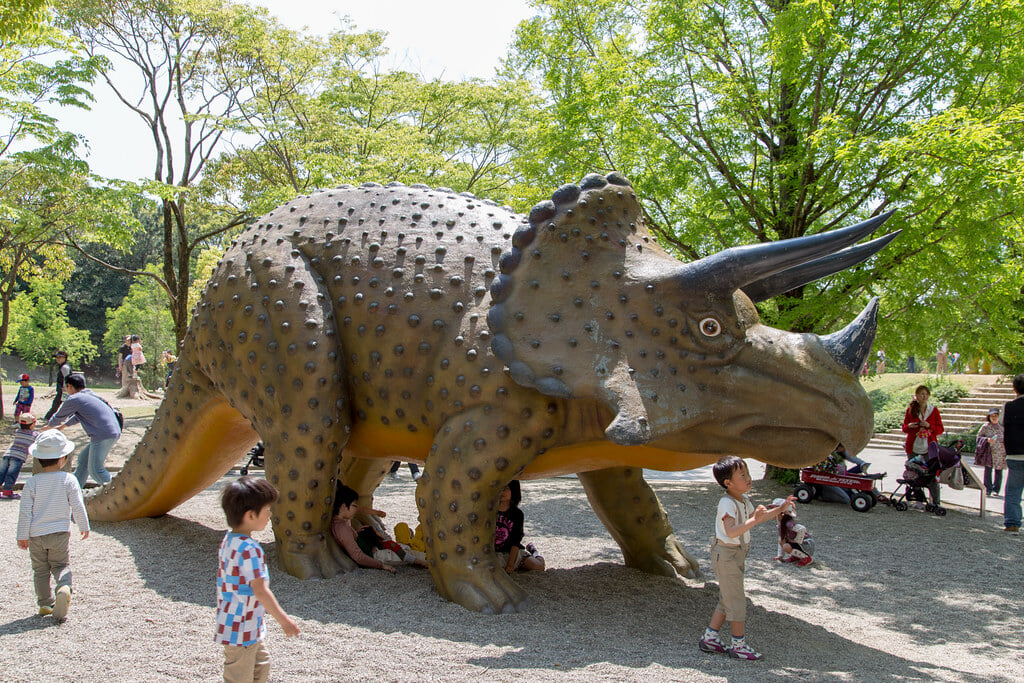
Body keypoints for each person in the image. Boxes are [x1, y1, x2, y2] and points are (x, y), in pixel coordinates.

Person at [699, 456, 794, 661]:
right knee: (737, 601)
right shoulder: (727, 503)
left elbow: (759, 518)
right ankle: (738, 644)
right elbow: (731, 532)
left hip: (736, 554)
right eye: (743, 475)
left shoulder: (743, 500)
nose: (749, 478)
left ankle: (710, 638)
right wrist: (753, 520)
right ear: (728, 483)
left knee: (727, 598)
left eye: (748, 474)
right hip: (726, 554)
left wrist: (780, 509)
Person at [216, 476, 299, 681]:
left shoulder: (229, 540)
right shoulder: (250, 549)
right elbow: (260, 590)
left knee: (261, 666)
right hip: (242, 626)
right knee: (239, 676)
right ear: (251, 515)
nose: (270, 514)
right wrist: (284, 620)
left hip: (242, 623)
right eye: (267, 510)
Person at [15, 430, 89, 622]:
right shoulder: (68, 480)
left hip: (36, 535)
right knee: (61, 565)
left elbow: (25, 512)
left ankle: (45, 604)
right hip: (59, 533)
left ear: (38, 459)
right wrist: (84, 525)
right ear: (62, 459)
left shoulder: (31, 483)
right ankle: (63, 587)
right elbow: (77, 505)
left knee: (40, 570)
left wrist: (22, 536)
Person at [45, 374, 122, 488]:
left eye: (66, 387)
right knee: (83, 460)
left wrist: (48, 427)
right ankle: (73, 491)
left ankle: (119, 491)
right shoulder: (89, 394)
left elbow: (58, 417)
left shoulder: (74, 399)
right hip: (111, 431)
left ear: (69, 386)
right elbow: (80, 416)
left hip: (102, 435)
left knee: (96, 470)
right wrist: (62, 427)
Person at [330, 483, 426, 570]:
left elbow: (360, 510)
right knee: (418, 556)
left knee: (409, 549)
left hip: (379, 550)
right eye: (354, 506)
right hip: (378, 555)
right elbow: (358, 556)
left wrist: (375, 514)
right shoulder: (342, 529)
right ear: (343, 506)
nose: (356, 509)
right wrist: (382, 565)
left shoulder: (341, 521)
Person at [494, 480, 545, 573]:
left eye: (506, 488)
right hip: (493, 554)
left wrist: (510, 564)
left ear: (514, 490)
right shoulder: (489, 511)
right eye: (499, 488)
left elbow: (515, 541)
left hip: (512, 553)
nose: (502, 492)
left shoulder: (517, 514)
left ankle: (534, 552)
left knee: (538, 567)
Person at [1001, 374, 1024, 534]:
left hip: (1015, 454)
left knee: (1013, 490)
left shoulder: (1009, 406)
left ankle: (1012, 523)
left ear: (1014, 388)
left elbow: (1002, 422)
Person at [1, 413, 40, 499]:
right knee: (11, 474)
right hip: (18, 457)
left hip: (7, 454)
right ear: (32, 424)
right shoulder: (35, 434)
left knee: (1, 473)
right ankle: (7, 492)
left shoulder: (18, 431)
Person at [902, 385, 943, 461]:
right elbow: (904, 428)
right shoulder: (910, 410)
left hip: (929, 448)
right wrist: (909, 426)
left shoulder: (933, 410)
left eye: (927, 394)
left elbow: (940, 429)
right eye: (922, 394)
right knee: (914, 470)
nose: (924, 396)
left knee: (929, 471)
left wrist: (929, 425)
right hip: (913, 447)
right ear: (917, 395)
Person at [771, 498, 813, 566]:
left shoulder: (789, 524)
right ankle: (797, 556)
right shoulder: (781, 525)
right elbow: (781, 540)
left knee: (786, 546)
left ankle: (806, 558)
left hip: (806, 543)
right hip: (799, 544)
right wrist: (780, 555)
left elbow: (802, 529)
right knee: (782, 541)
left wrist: (797, 540)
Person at [975, 407, 1006, 497]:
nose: (994, 418)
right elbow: (978, 437)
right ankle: (988, 489)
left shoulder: (1002, 427)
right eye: (992, 416)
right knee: (988, 470)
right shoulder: (986, 426)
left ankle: (996, 489)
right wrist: (987, 439)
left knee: (998, 471)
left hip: (1000, 453)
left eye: (995, 416)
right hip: (989, 453)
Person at [44, 350, 72, 421]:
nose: (58, 359)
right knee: (64, 404)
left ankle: (48, 417)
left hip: (64, 390)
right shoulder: (63, 366)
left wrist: (65, 388)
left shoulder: (65, 367)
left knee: (59, 404)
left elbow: (66, 378)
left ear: (65, 358)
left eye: (60, 357)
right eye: (57, 357)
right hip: (64, 389)